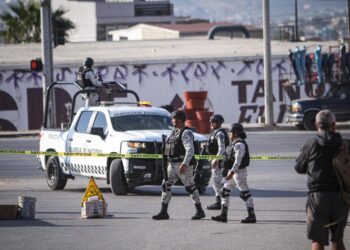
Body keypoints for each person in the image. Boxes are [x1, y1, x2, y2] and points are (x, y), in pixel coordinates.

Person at [295, 110, 349, 250]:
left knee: (317, 241)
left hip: (317, 198)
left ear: (315, 125)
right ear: (334, 125)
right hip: (340, 197)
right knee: (337, 240)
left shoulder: (310, 144)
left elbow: (299, 168)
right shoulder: (346, 144)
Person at [152, 110, 206, 220]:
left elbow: (190, 150)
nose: (172, 120)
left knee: (190, 188)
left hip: (182, 164)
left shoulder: (186, 133)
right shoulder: (173, 132)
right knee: (165, 185)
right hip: (172, 164)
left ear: (180, 120)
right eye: (172, 119)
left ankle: (199, 210)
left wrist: (185, 164)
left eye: (174, 119)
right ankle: (163, 212)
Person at [211, 123, 256, 223]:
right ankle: (223, 215)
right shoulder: (234, 143)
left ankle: (252, 216)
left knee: (245, 193)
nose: (229, 134)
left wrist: (231, 173)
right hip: (233, 173)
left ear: (235, 133)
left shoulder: (239, 144)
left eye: (230, 132)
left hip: (238, 173)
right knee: (224, 191)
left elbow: (238, 161)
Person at [206, 114, 229, 210]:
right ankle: (219, 202)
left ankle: (219, 203)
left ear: (218, 123)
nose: (211, 123)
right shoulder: (215, 133)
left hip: (219, 162)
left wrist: (216, 159)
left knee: (217, 183)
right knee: (216, 182)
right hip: (215, 160)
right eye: (211, 122)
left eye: (213, 122)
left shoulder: (219, 134)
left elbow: (222, 148)